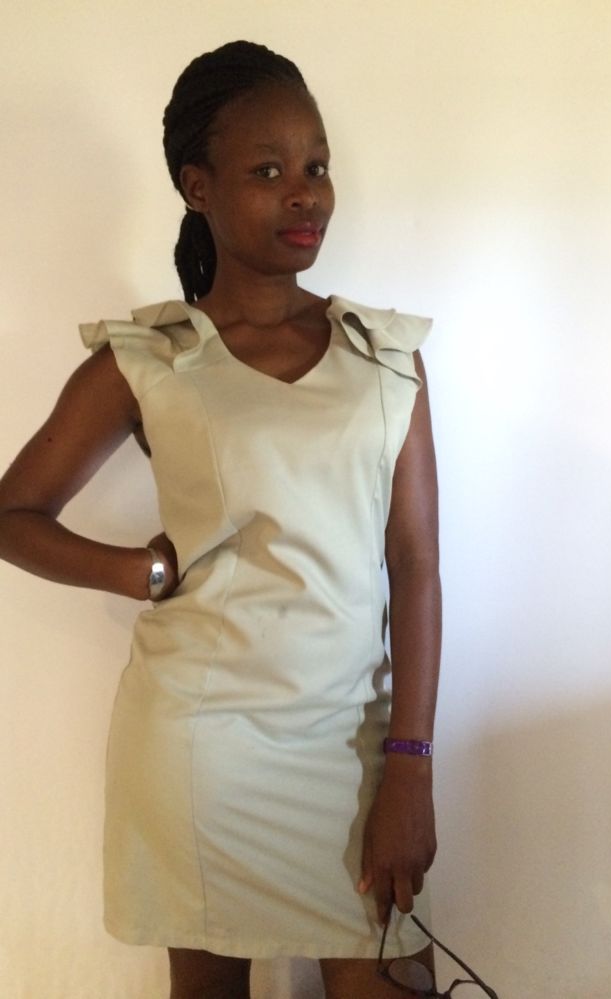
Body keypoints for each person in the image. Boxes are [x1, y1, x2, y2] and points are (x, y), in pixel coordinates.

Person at [0, 41, 441, 999]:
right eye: (268, 171)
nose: (305, 193)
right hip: (201, 751)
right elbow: (13, 513)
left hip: (353, 748)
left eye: (316, 165)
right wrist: (138, 571)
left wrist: (411, 762)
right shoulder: (153, 357)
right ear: (198, 186)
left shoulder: (384, 356)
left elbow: (414, 563)